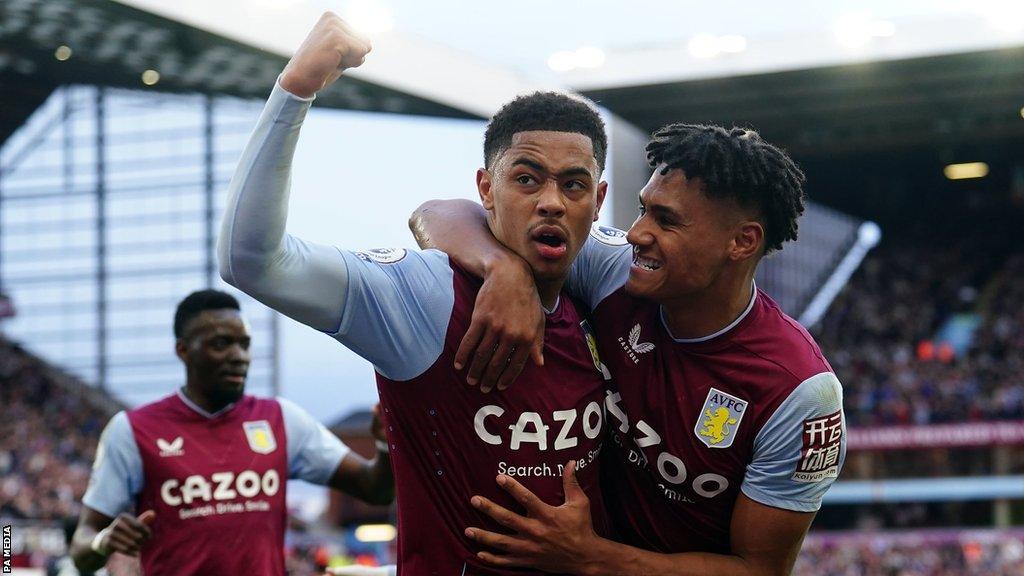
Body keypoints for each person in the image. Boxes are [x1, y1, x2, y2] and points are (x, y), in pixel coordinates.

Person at [218, 12, 613, 575]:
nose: (551, 200)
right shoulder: (426, 295)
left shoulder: (612, 295)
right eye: (526, 179)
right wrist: (296, 89)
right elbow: (252, 260)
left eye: (572, 185)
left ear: (597, 201)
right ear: (486, 189)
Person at [411, 124, 847, 575]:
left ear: (742, 242)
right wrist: (502, 269)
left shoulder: (800, 393)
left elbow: (760, 570)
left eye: (666, 220)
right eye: (642, 210)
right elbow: (437, 213)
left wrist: (594, 558)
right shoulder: (616, 269)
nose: (636, 233)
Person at [69, 289, 393, 575]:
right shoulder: (133, 431)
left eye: (244, 344)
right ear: (183, 350)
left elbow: (376, 489)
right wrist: (102, 541)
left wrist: (383, 442)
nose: (238, 357)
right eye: (222, 344)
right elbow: (82, 550)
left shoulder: (281, 419)